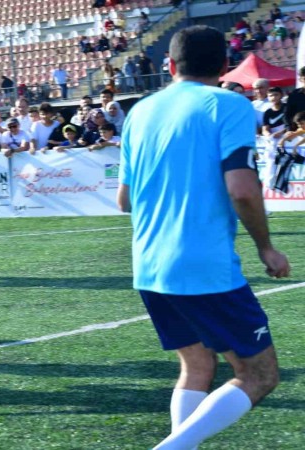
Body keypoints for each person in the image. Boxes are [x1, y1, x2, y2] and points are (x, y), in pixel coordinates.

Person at [117, 25, 290, 449]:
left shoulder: (141, 110)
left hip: (149, 264)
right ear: (225, 66)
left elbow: (124, 199)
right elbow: (242, 189)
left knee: (196, 365)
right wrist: (265, 247)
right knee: (259, 374)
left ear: (170, 64)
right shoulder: (228, 104)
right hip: (202, 264)